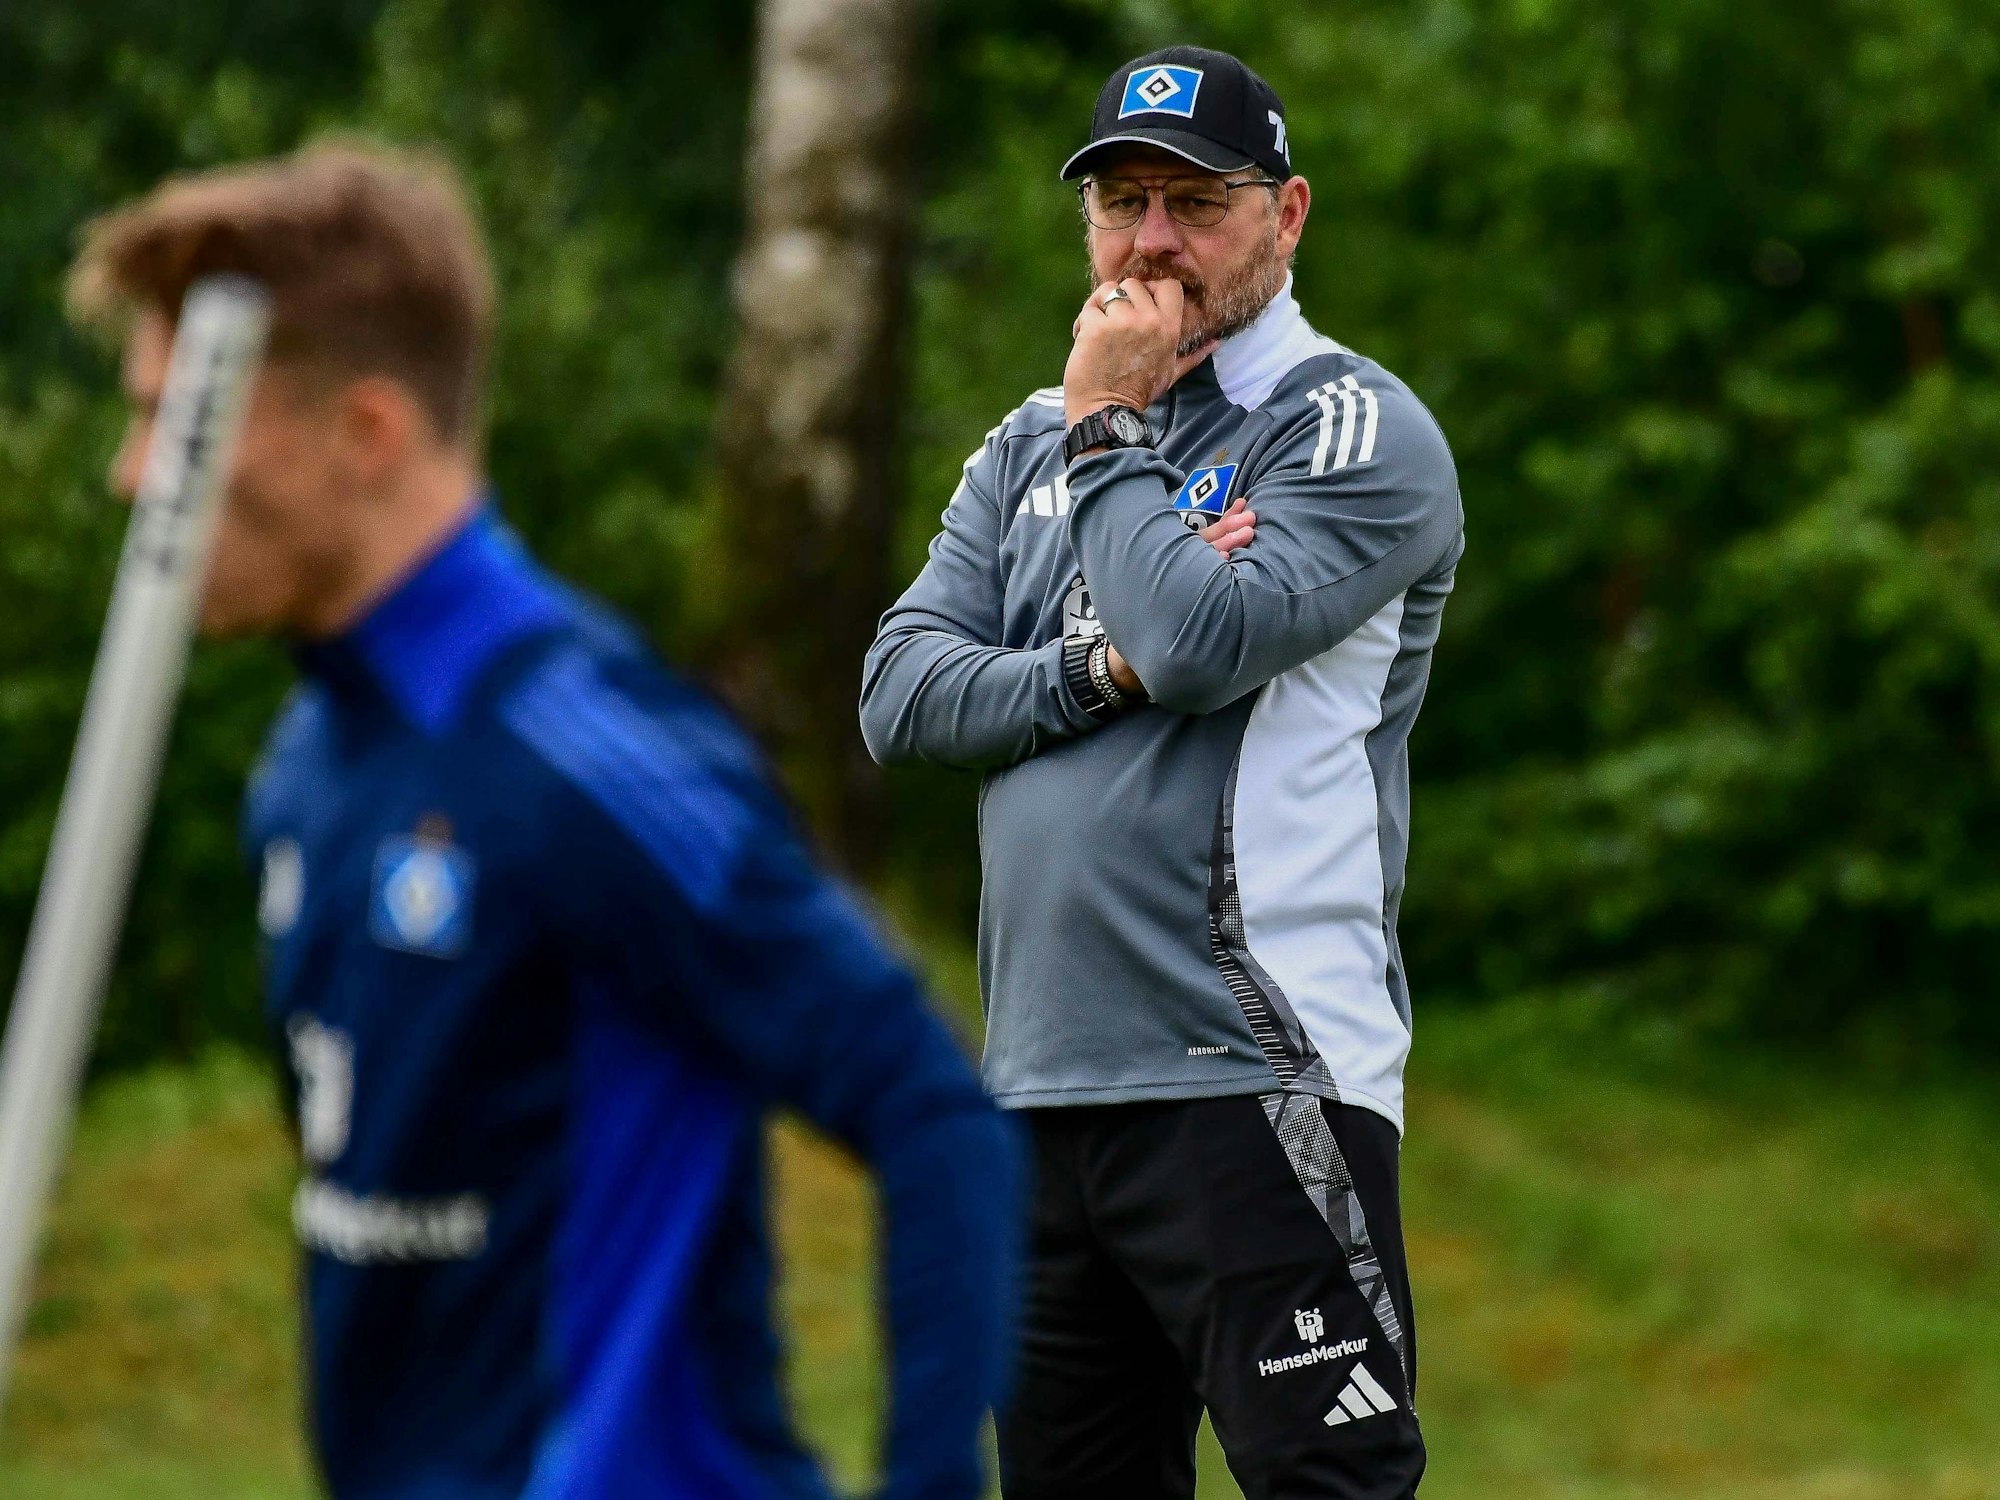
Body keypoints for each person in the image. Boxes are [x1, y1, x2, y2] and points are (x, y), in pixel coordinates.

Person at [70, 141, 1022, 1500]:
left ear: (368, 438)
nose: (132, 475)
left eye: (182, 423)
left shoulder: (587, 754)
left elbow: (939, 1111)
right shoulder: (307, 761)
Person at [861, 44, 1463, 1500]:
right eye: (1122, 203)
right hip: (1040, 1088)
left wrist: (1116, 429)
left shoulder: (1347, 428)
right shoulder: (1027, 444)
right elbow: (898, 696)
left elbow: (1190, 641)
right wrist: (1081, 671)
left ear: (1288, 214)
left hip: (1253, 1073)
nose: (1150, 244)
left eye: (1196, 203)